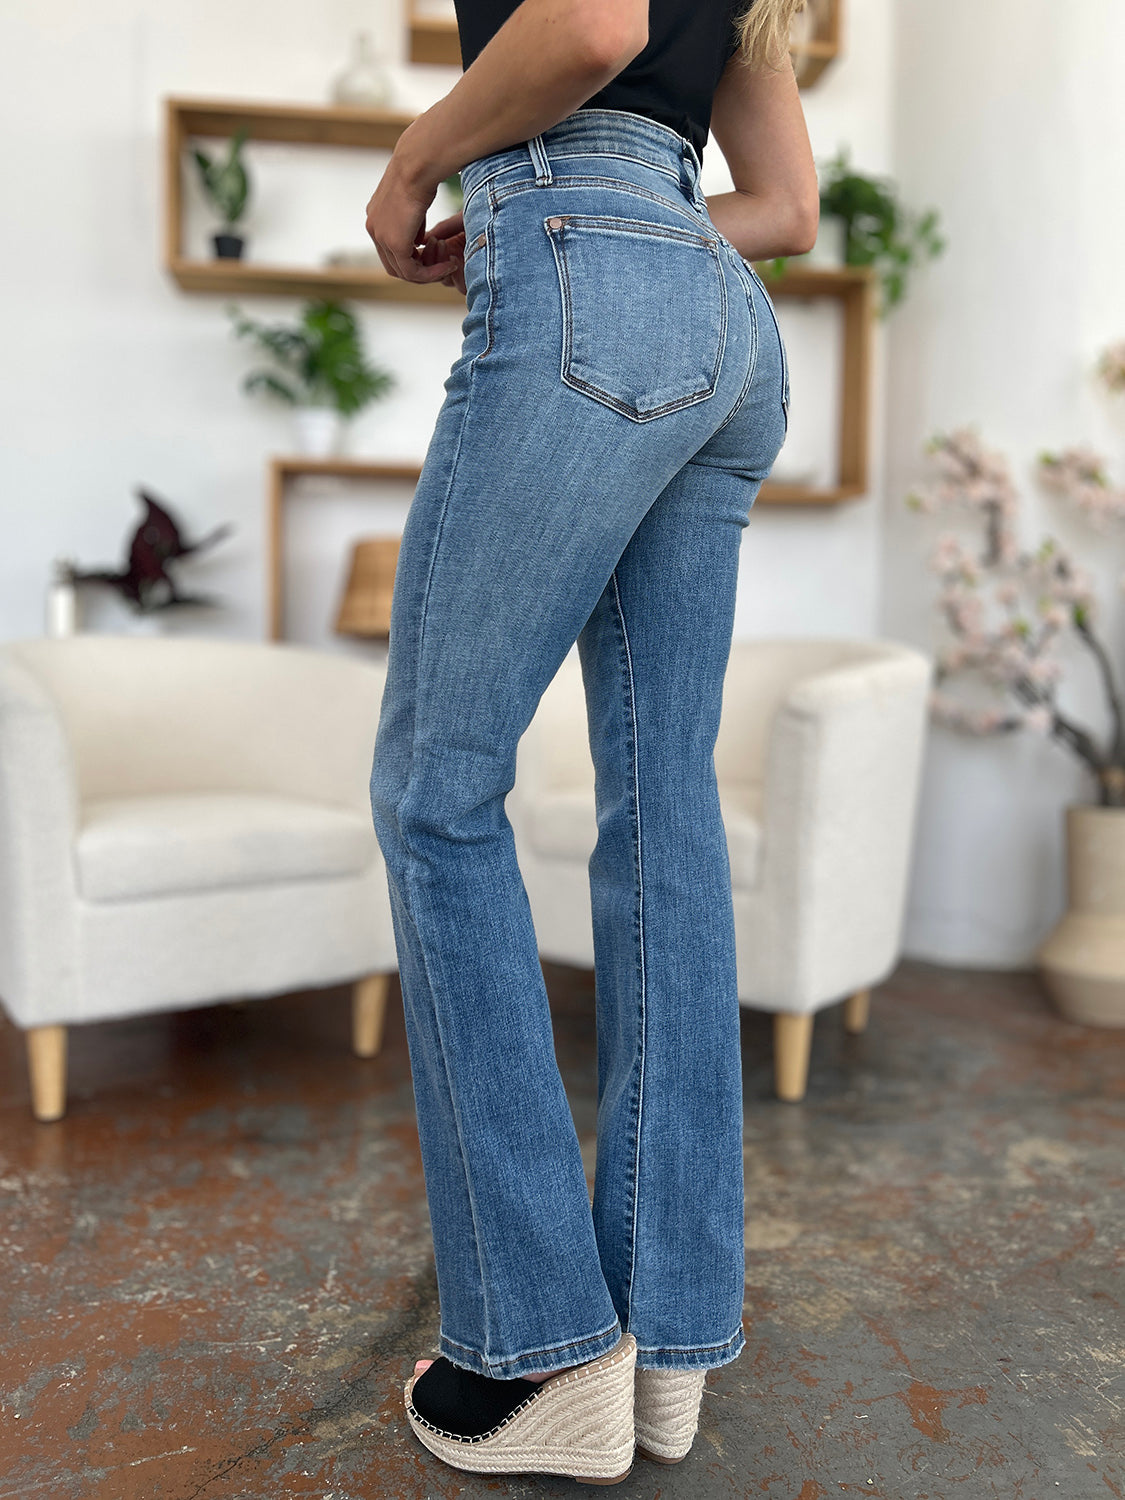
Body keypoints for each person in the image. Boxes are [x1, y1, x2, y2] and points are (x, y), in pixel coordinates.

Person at [364, 0, 818, 1483]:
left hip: (584, 261)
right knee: (663, 814)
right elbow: (788, 211)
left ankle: (540, 1345)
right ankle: (666, 1337)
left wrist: (413, 164)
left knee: (437, 797)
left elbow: (577, 24)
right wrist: (629, 236)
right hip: (720, 314)